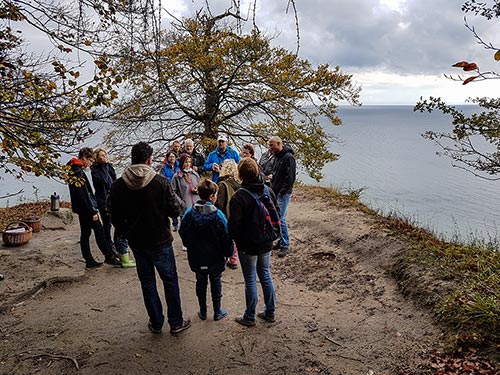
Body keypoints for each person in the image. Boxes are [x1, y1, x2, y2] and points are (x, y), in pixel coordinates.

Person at [110, 142, 191, 335]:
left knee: (147, 283)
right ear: (148, 160)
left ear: (132, 159)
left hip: (137, 242)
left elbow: (114, 216)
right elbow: (176, 209)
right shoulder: (160, 182)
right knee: (170, 281)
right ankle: (176, 322)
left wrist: (125, 232)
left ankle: (156, 323)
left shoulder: (118, 185)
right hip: (161, 240)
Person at [228, 158, 277, 327]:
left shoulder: (238, 197)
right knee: (265, 274)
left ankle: (249, 316)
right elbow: (276, 211)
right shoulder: (267, 190)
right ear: (257, 172)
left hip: (248, 246)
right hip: (266, 242)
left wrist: (237, 241)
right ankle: (270, 311)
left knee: (250, 279)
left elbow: (234, 226)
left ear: (240, 175)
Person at [179, 178, 233, 321]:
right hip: (215, 256)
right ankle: (217, 311)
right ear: (212, 196)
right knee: (216, 282)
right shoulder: (218, 215)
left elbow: (182, 231)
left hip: (197, 256)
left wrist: (189, 245)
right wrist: (228, 253)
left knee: (200, 282)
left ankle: (203, 311)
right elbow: (226, 236)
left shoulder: (189, 213)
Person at [67, 148, 121, 269]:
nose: (90, 163)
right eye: (90, 160)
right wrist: (92, 210)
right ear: (84, 158)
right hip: (87, 209)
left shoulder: (74, 169)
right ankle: (109, 257)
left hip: (82, 209)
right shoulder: (77, 172)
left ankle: (89, 260)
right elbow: (83, 195)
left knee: (85, 234)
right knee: (99, 231)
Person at [91, 148, 135, 268]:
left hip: (112, 198)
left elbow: (114, 181)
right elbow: (104, 180)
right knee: (107, 224)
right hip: (102, 200)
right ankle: (109, 244)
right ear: (96, 157)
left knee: (117, 222)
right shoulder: (95, 170)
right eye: (100, 155)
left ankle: (117, 246)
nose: (103, 157)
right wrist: (104, 166)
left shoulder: (109, 166)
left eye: (104, 155)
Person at [268, 136, 296, 257]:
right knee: (276, 217)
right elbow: (277, 173)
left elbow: (290, 177)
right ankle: (280, 241)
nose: (270, 148)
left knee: (280, 218)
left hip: (282, 193)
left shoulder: (288, 158)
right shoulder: (277, 157)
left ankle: (285, 244)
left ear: (279, 144)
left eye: (272, 145)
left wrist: (282, 191)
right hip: (275, 191)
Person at [215, 159, 241, 269]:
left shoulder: (222, 185)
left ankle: (223, 257)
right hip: (237, 216)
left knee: (224, 238)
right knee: (234, 239)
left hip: (225, 215)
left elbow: (219, 204)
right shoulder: (239, 185)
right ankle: (234, 259)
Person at [161, 151, 180, 231]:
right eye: (170, 157)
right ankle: (175, 223)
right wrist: (170, 180)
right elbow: (162, 178)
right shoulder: (164, 167)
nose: (172, 158)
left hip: (179, 187)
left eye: (173, 156)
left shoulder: (179, 166)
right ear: (167, 158)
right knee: (173, 205)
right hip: (170, 189)